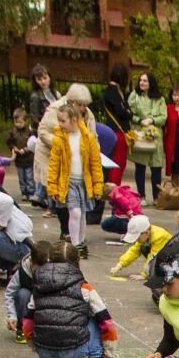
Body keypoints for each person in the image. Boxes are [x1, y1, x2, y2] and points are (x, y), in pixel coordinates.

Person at [19, 240, 117, 358]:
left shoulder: (38, 286)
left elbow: (28, 322)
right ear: (77, 262)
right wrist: (108, 354)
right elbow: (107, 323)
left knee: (42, 314)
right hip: (74, 353)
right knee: (96, 317)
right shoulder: (84, 288)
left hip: (44, 352)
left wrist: (35, 346)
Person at [44, 104, 101, 257]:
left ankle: (81, 243)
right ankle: (74, 246)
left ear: (74, 119)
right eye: (59, 121)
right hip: (68, 182)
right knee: (74, 212)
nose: (60, 124)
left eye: (63, 121)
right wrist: (52, 187)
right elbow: (53, 164)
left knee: (82, 214)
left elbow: (95, 163)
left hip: (83, 182)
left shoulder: (88, 138)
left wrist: (97, 186)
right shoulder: (59, 139)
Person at [128, 71, 167, 199]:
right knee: (140, 167)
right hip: (140, 134)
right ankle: (141, 196)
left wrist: (152, 120)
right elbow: (129, 114)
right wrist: (139, 120)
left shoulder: (160, 99)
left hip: (156, 137)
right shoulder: (134, 96)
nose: (142, 83)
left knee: (156, 168)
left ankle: (157, 197)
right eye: (141, 80)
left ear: (151, 83)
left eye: (145, 81)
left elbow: (163, 117)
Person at [110, 213, 171, 281]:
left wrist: (144, 275)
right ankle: (155, 271)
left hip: (172, 259)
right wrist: (120, 265)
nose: (136, 240)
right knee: (142, 248)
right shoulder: (146, 235)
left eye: (137, 237)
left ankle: (159, 271)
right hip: (163, 257)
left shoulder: (159, 237)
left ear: (146, 233)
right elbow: (134, 251)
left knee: (145, 249)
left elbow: (154, 256)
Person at [101, 65, 133, 187]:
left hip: (115, 131)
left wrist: (128, 112)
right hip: (117, 132)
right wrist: (128, 112)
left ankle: (113, 188)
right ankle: (113, 189)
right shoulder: (113, 92)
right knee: (117, 162)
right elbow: (123, 112)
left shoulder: (112, 91)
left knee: (117, 161)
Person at [8, 106, 36, 202]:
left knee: (29, 176)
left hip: (28, 158)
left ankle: (31, 192)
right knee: (21, 177)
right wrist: (13, 148)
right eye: (16, 122)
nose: (18, 124)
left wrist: (26, 150)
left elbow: (33, 144)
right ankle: (24, 192)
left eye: (20, 122)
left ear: (25, 121)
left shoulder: (30, 132)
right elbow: (10, 142)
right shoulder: (13, 132)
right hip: (19, 159)